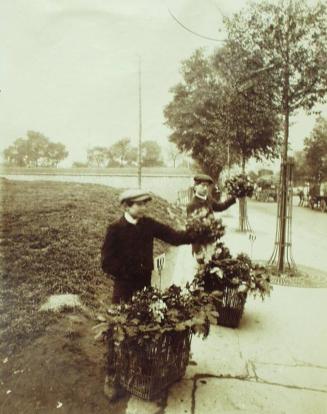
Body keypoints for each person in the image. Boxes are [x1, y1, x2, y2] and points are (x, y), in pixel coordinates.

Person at [101, 188, 200, 401]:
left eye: (146, 203)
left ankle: (141, 370)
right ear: (127, 206)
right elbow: (106, 263)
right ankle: (111, 374)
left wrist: (197, 234)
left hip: (145, 287)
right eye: (140, 204)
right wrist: (128, 272)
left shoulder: (148, 225)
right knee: (116, 328)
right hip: (124, 288)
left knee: (144, 325)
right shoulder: (115, 229)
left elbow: (173, 236)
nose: (145, 207)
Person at [186, 174, 236, 264]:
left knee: (212, 267)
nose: (205, 188)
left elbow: (220, 207)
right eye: (202, 185)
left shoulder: (208, 199)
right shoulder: (191, 205)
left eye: (207, 186)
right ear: (195, 187)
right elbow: (191, 229)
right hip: (200, 244)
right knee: (201, 269)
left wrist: (233, 198)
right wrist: (197, 249)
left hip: (211, 241)